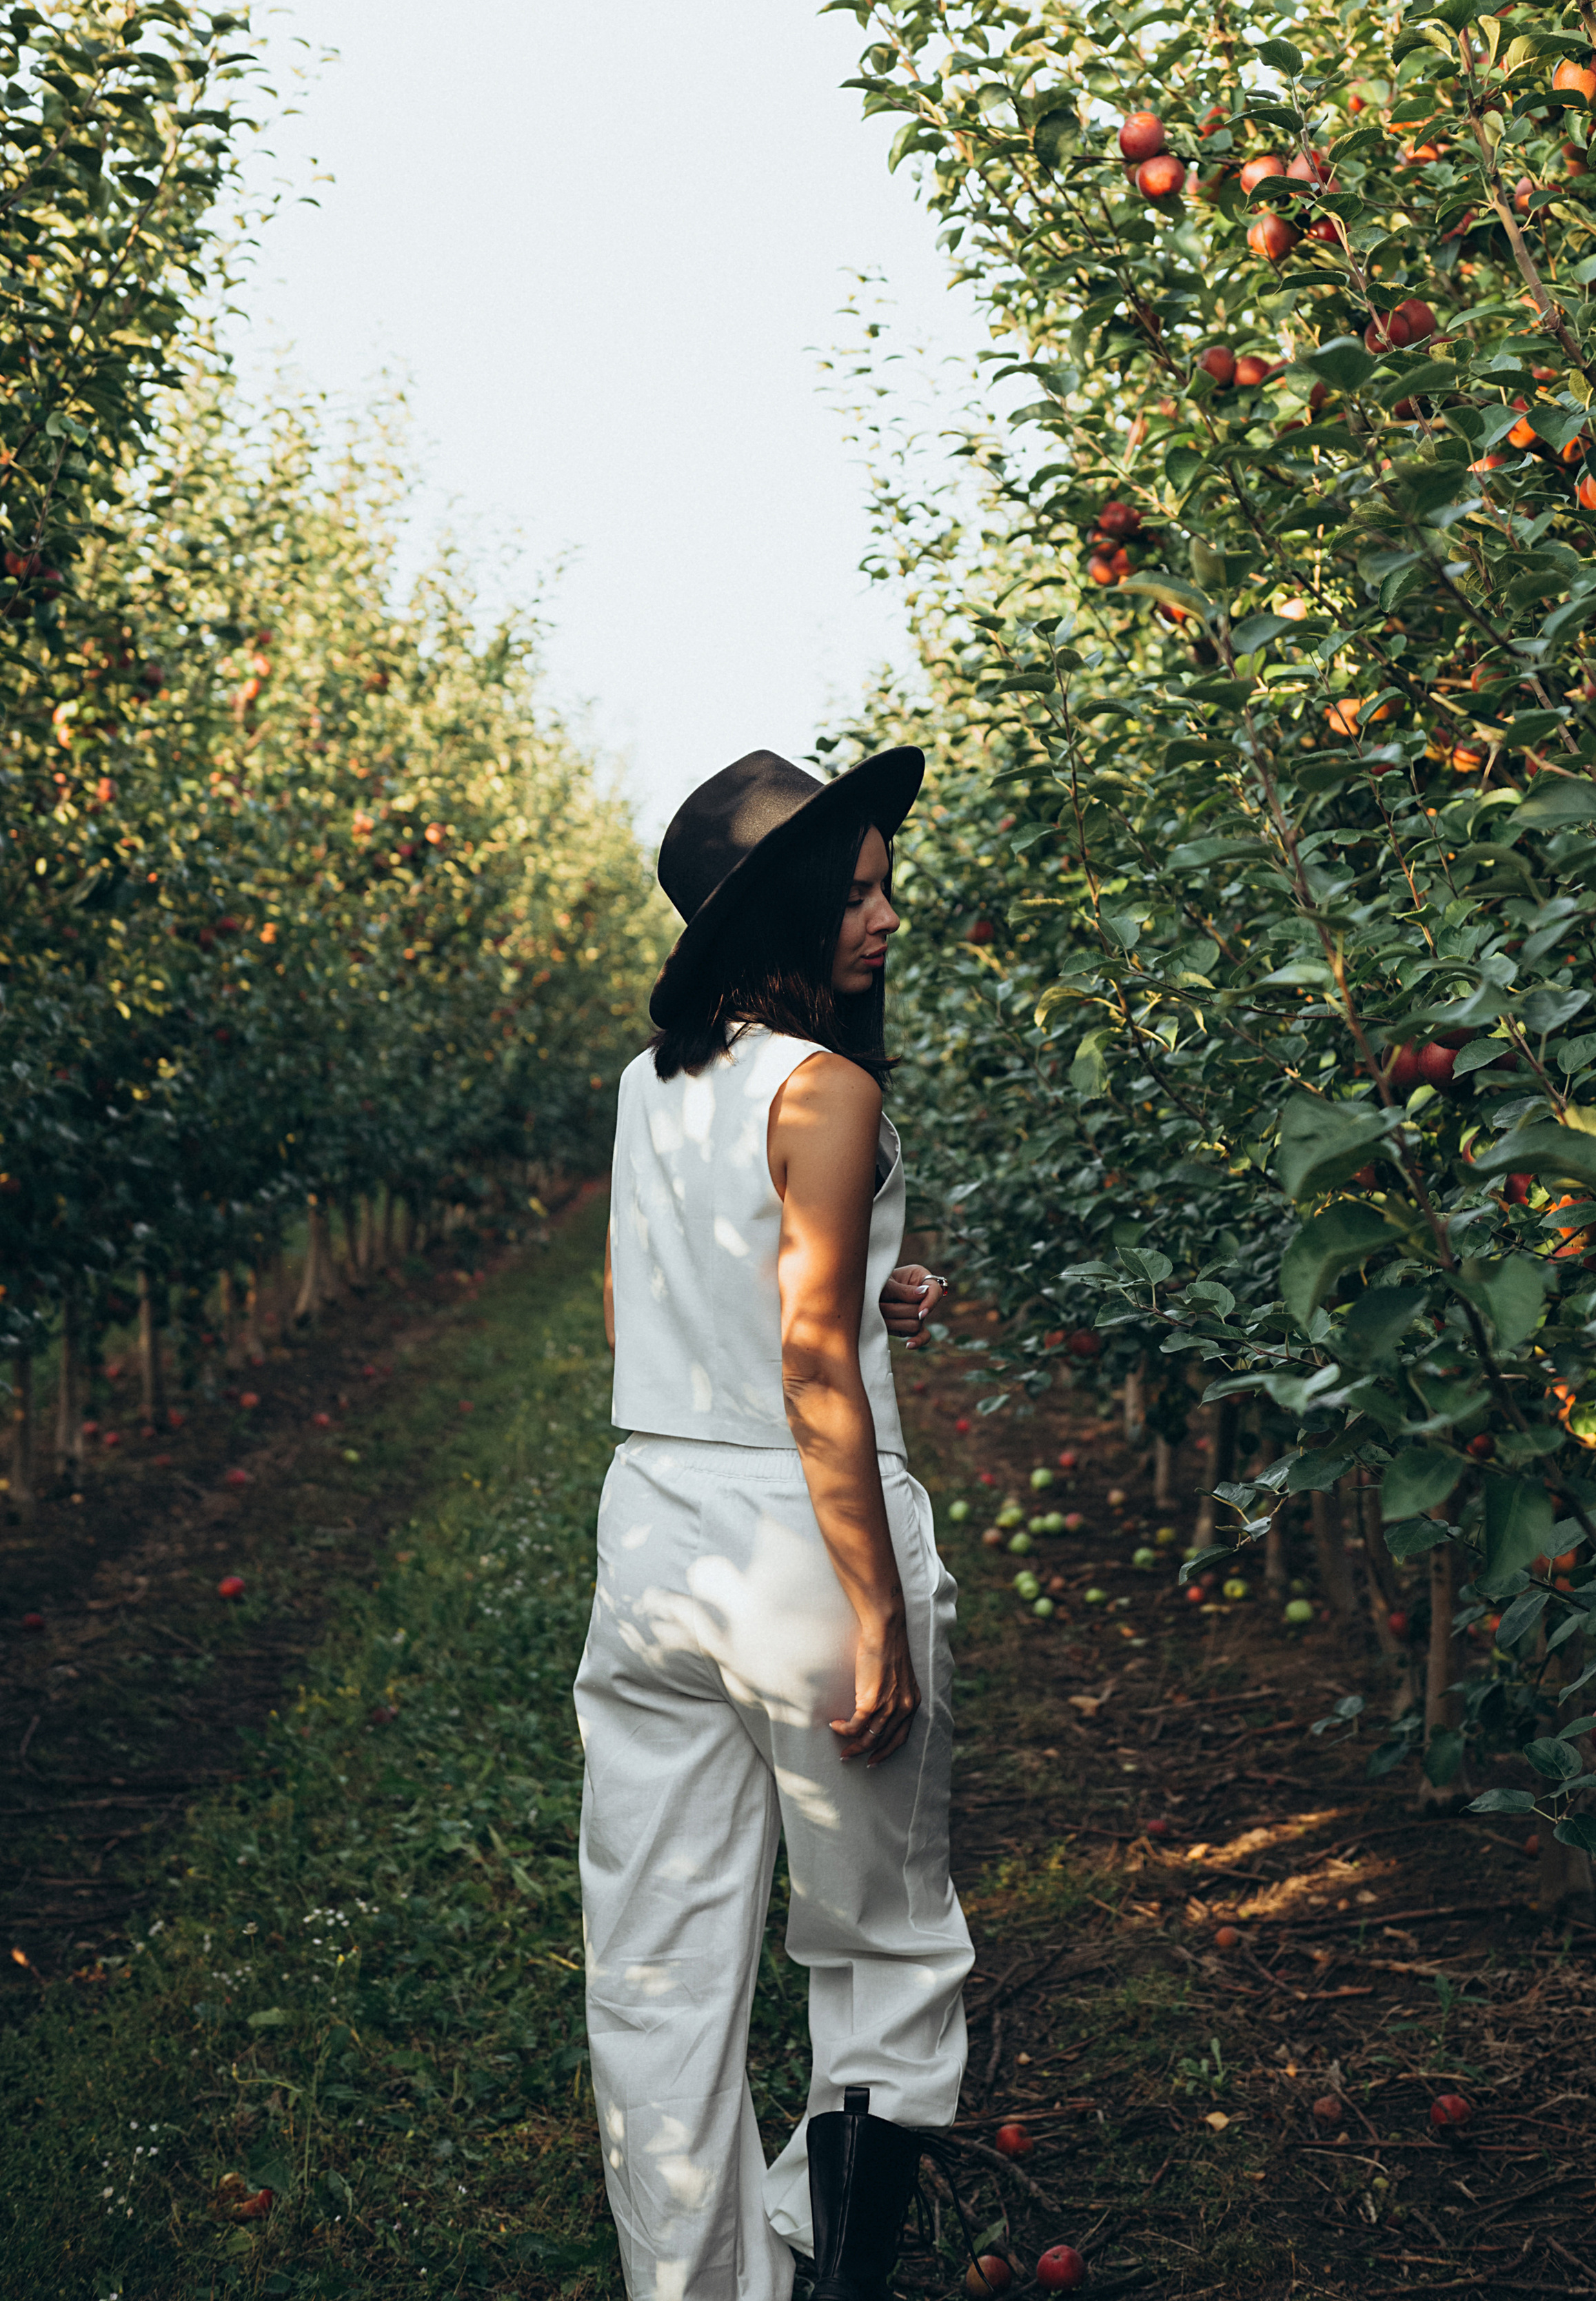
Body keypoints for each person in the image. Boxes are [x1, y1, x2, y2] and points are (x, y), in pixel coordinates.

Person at [574, 745, 973, 2301]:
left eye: (885, 886)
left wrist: (873, 1285)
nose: (885, 916)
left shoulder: (649, 1084)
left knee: (659, 1960)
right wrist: (876, 1614)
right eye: (858, 891)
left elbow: (660, 1304)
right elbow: (809, 1368)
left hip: (653, 1538)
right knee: (880, 1938)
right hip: (795, 1546)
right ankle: (837, 2270)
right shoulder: (828, 1086)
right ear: (787, 909)